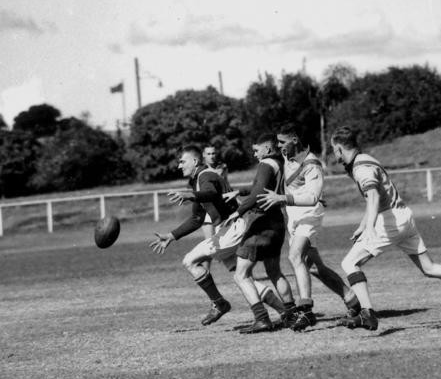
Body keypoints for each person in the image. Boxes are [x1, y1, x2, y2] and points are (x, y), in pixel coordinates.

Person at [329, 126, 441, 330]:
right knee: (428, 267)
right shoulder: (367, 158)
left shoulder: (360, 168)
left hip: (388, 220)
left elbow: (373, 197)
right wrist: (363, 225)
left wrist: (371, 225)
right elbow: (375, 196)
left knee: (349, 263)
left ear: (339, 148)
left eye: (333, 150)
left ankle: (368, 313)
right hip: (403, 216)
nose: (334, 155)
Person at [257, 125, 362, 332]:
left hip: (309, 216)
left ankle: (306, 310)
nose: (279, 147)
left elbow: (313, 197)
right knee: (314, 267)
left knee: (295, 257)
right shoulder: (287, 156)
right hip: (294, 218)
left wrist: (282, 198)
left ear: (294, 140)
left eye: (281, 142)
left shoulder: (312, 164)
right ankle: (353, 301)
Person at [149, 145, 240, 325]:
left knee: (190, 261)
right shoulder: (196, 179)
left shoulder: (204, 175)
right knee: (241, 275)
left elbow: (211, 193)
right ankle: (282, 310)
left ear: (195, 161)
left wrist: (191, 195)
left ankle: (219, 303)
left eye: (182, 162)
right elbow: (198, 218)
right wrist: (172, 236)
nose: (179, 166)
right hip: (229, 228)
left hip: (232, 228)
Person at [222, 133, 298, 334]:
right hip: (277, 223)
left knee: (240, 275)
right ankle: (292, 313)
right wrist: (239, 191)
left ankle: (261, 318)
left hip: (261, 223)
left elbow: (257, 194)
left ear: (267, 148)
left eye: (256, 150)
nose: (255, 154)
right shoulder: (279, 163)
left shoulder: (265, 163)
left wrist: (237, 212)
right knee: (274, 272)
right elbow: (261, 188)